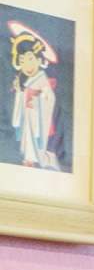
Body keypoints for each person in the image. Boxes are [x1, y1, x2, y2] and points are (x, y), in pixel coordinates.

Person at [2, 21, 59, 168]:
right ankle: (29, 159)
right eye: (22, 60)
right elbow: (22, 95)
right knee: (27, 140)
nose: (26, 65)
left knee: (36, 143)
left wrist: (39, 98)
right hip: (28, 116)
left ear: (39, 60)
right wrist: (20, 91)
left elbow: (49, 97)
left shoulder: (42, 79)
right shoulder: (26, 79)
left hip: (38, 116)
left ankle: (40, 159)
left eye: (30, 59)